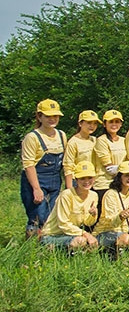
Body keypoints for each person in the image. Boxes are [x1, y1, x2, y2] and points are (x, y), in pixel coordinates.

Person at [21, 99, 68, 239]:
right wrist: (36, 188)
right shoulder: (32, 137)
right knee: (38, 217)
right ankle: (32, 246)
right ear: (39, 116)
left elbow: (65, 161)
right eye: (48, 116)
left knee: (51, 217)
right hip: (36, 179)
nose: (52, 119)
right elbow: (28, 165)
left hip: (55, 180)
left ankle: (48, 245)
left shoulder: (61, 135)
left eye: (55, 116)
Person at [40, 161, 99, 251]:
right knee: (81, 241)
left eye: (90, 178)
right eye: (82, 178)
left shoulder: (93, 196)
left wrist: (93, 215)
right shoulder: (66, 195)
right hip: (53, 235)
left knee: (90, 243)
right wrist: (86, 234)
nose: (86, 181)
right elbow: (63, 224)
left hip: (71, 234)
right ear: (76, 180)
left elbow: (88, 223)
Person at [93, 161, 129, 255]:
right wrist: (121, 216)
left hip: (126, 232)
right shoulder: (111, 194)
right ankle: (116, 257)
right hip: (106, 232)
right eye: (127, 175)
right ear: (119, 177)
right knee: (125, 238)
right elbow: (112, 222)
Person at [92, 110, 127, 219]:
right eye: (111, 122)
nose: (114, 124)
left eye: (117, 122)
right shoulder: (101, 140)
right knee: (103, 216)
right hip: (104, 184)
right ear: (104, 124)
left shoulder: (124, 140)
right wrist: (124, 171)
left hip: (120, 182)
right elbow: (109, 166)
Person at [63, 110, 100, 188]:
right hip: (78, 181)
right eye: (89, 123)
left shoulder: (95, 140)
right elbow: (68, 166)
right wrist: (70, 189)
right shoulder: (73, 142)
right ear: (80, 123)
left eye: (95, 123)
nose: (92, 126)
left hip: (92, 180)